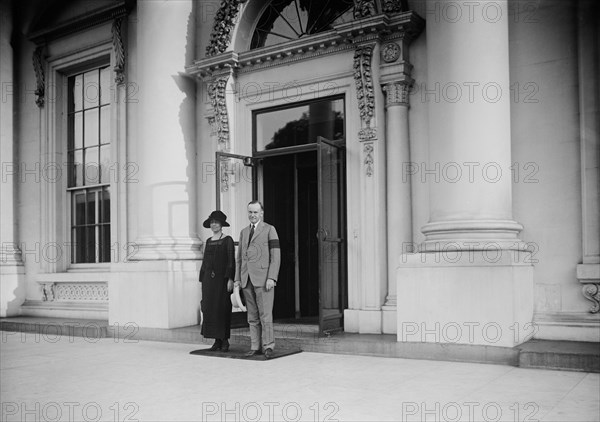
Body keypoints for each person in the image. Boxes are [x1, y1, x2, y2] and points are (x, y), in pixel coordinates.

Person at [234, 200, 281, 359]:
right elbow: (239, 258)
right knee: (252, 316)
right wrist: (237, 279)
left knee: (265, 315)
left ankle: (268, 346)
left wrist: (272, 277)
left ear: (261, 213)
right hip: (247, 279)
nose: (252, 215)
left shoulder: (269, 230)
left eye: (255, 212)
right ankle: (255, 346)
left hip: (264, 280)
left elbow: (276, 256)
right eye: (250, 212)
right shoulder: (243, 232)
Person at [199, 210, 235, 352]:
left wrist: (230, 279)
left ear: (221, 225)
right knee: (210, 309)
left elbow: (231, 262)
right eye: (212, 222)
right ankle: (216, 341)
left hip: (222, 280)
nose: (214, 225)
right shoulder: (208, 241)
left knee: (222, 309)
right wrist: (202, 279)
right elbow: (205, 262)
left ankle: (224, 340)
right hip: (209, 281)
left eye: (216, 222)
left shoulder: (228, 240)